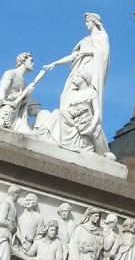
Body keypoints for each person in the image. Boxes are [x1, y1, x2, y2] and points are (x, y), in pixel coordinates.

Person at [34, 14, 112, 157]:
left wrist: (87, 52)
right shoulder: (85, 40)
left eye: (87, 21)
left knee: (87, 98)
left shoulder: (102, 36)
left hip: (90, 69)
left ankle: (84, 134)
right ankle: (64, 129)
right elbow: (72, 56)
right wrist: (55, 63)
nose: (86, 24)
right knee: (66, 96)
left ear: (94, 22)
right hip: (78, 69)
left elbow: (104, 54)